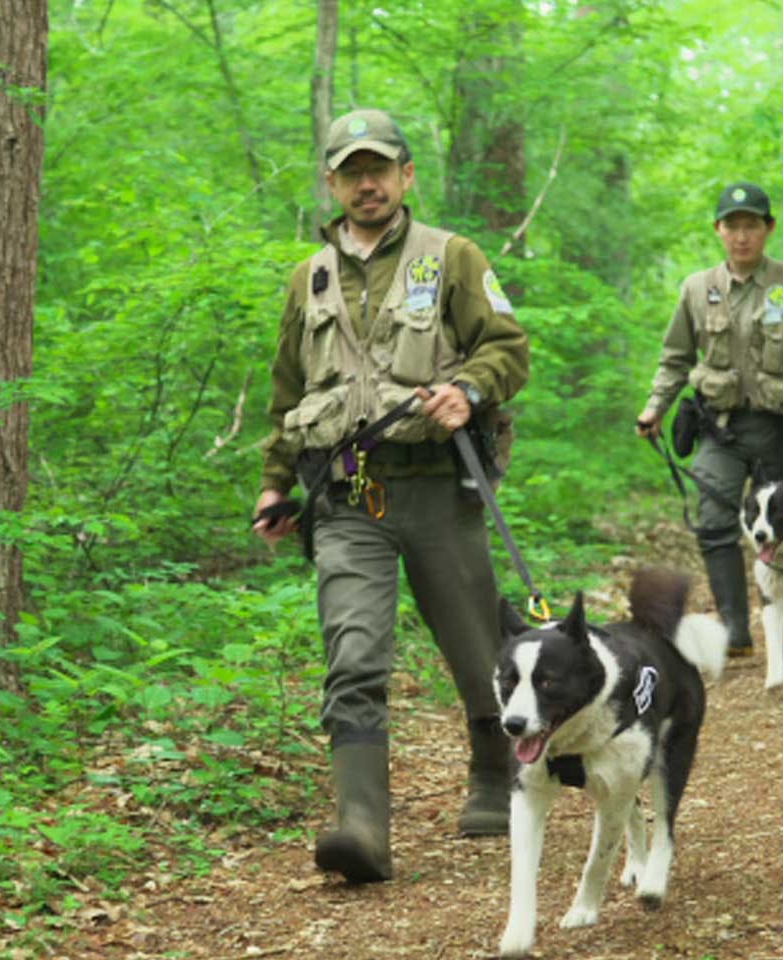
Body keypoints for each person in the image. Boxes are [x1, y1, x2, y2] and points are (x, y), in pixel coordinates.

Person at [253, 108, 530, 884]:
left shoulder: (454, 258)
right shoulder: (306, 279)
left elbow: (508, 347)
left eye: (380, 168)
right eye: (351, 170)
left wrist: (469, 390)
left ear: (407, 176)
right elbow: (287, 393)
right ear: (332, 182)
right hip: (347, 501)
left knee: (479, 653)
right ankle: (363, 826)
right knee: (353, 656)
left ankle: (494, 776)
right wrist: (276, 484)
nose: (366, 182)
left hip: (441, 490)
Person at [635, 181, 783, 660]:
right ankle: (737, 629)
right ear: (718, 230)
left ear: (768, 229)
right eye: (733, 226)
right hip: (719, 429)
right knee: (715, 522)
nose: (742, 236)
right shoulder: (697, 289)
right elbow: (674, 358)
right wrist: (656, 405)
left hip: (782, 428)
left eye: (752, 226)